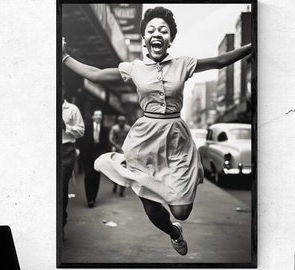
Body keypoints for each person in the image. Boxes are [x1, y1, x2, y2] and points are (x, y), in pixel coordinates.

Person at [62, 6, 252, 255]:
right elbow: (96, 74)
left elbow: (219, 61)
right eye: (151, 30)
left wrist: (252, 46)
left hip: (177, 140)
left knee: (181, 211)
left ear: (170, 39)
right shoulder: (134, 68)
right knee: (153, 210)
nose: (157, 33)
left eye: (163, 30)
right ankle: (173, 231)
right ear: (144, 39)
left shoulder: (184, 64)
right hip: (145, 141)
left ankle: (174, 218)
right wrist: (64, 57)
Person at [62, 83, 85, 229]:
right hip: (47, 150)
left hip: (66, 151)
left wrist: (66, 128)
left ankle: (62, 221)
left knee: (62, 186)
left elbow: (81, 131)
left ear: (63, 90)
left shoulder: (72, 109)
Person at [81, 108, 111, 208]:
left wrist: (106, 156)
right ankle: (89, 199)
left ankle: (93, 198)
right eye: (97, 115)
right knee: (88, 176)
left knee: (96, 177)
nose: (98, 117)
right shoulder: (87, 127)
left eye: (100, 115)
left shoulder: (105, 129)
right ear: (93, 116)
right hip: (88, 155)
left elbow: (107, 145)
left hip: (99, 157)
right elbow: (82, 142)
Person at [109, 115, 131, 197]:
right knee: (115, 168)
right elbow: (111, 138)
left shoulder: (128, 128)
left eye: (123, 121)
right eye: (120, 121)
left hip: (125, 149)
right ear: (118, 122)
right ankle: (115, 184)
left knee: (124, 169)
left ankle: (122, 189)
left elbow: (131, 138)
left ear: (125, 121)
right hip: (117, 148)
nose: (121, 122)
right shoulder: (114, 128)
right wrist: (115, 145)